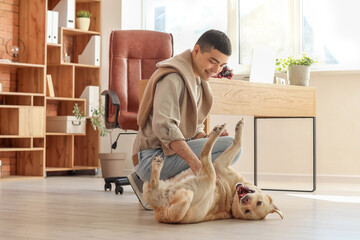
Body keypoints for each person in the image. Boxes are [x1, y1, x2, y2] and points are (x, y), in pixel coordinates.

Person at [128, 29, 242, 210]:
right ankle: (159, 188)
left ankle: (170, 189)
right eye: (213, 61)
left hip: (167, 155)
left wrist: (209, 138)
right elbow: (165, 127)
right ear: (196, 51)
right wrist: (196, 163)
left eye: (222, 65)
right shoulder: (173, 78)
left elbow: (193, 129)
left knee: (231, 146)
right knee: (231, 146)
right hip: (151, 159)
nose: (216, 70)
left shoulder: (197, 82)